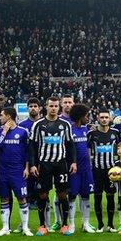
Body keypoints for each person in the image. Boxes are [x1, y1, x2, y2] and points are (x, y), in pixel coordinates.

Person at [28, 96, 77, 236]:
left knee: (62, 194)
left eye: (56, 106)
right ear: (46, 107)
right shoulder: (38, 124)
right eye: (51, 106)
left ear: (59, 107)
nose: (53, 108)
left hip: (61, 164)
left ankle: (65, 224)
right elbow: (32, 146)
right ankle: (43, 225)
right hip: (44, 164)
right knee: (43, 194)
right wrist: (32, 165)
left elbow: (70, 144)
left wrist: (73, 162)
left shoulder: (65, 125)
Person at [0, 107, 33, 237]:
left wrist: (26, 168)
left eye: (2, 115)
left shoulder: (22, 132)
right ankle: (5, 228)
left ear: (9, 116)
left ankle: (25, 227)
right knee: (4, 198)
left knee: (22, 198)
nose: (0, 118)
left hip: (17, 171)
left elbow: (28, 151)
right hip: (3, 171)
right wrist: (4, 132)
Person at [88, 108, 120, 232]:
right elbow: (87, 150)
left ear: (110, 119)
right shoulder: (92, 134)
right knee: (97, 197)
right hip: (96, 171)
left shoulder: (115, 133)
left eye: (106, 117)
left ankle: (111, 225)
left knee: (111, 197)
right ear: (98, 118)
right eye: (102, 117)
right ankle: (100, 225)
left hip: (111, 172)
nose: (104, 119)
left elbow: (120, 149)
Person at [68, 104, 97, 233]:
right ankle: (72, 224)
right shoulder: (69, 130)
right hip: (73, 169)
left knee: (86, 196)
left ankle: (86, 223)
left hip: (86, 168)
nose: (88, 118)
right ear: (80, 116)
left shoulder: (87, 130)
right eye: (86, 115)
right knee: (72, 196)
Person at [50, 93, 75, 231]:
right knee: (59, 193)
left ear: (73, 103)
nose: (67, 105)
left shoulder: (79, 121)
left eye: (69, 102)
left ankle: (70, 223)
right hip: (60, 163)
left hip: (73, 164)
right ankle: (57, 221)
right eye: (65, 102)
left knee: (72, 193)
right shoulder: (57, 121)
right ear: (61, 105)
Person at [19, 97, 42, 213]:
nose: (33, 108)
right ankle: (29, 201)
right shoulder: (22, 125)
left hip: (42, 157)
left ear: (40, 108)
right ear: (27, 109)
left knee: (41, 180)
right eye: (31, 106)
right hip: (27, 157)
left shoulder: (44, 123)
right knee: (28, 180)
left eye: (35, 106)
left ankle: (41, 200)